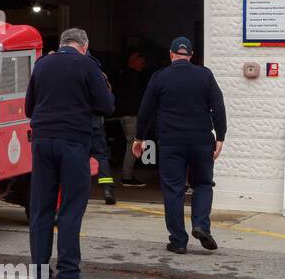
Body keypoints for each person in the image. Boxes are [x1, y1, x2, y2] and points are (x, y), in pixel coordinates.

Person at [24, 28, 115, 279]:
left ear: (62, 43)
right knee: (71, 208)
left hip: (42, 142)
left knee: (41, 208)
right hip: (73, 142)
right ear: (84, 46)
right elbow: (106, 106)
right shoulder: (87, 65)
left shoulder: (42, 65)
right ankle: (67, 274)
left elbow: (30, 107)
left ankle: (40, 275)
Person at [134, 37, 227, 254]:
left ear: (171, 54)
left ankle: (178, 240)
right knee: (203, 183)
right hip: (201, 140)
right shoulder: (205, 75)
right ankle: (201, 225)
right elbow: (218, 106)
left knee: (173, 189)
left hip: (171, 141)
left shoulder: (160, 77)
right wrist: (220, 136)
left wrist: (139, 138)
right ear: (191, 55)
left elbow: (146, 110)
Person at [114, 51, 149, 187]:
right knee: (133, 145)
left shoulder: (123, 75)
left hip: (125, 115)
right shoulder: (133, 77)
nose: (143, 64)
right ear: (134, 61)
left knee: (132, 144)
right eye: (141, 61)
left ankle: (127, 175)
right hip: (131, 116)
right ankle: (127, 176)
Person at [88, 53, 117, 205]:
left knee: (78, 156)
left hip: (77, 122)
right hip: (95, 121)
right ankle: (107, 189)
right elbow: (107, 100)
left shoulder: (70, 73)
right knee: (101, 155)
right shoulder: (100, 75)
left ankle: (80, 192)